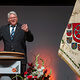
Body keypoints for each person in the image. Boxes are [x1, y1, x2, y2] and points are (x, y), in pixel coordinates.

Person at [0, 11, 34, 77]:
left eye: (14, 17)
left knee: (20, 78)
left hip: (20, 60)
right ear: (8, 20)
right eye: (11, 18)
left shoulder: (23, 27)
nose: (13, 19)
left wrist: (27, 31)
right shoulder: (3, 29)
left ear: (17, 18)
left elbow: (31, 39)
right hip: (7, 60)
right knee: (7, 78)